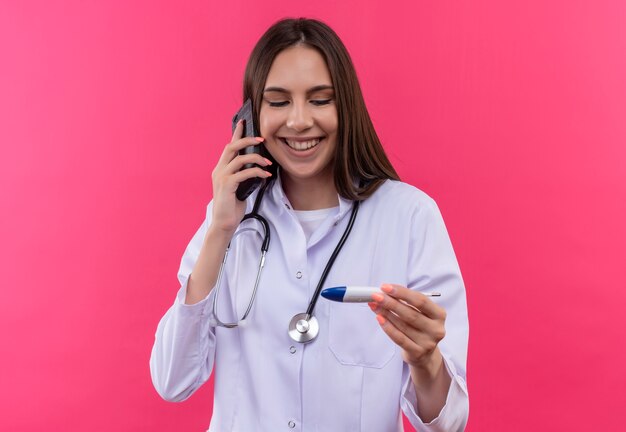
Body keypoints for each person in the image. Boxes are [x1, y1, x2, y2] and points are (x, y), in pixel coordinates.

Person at [150, 18, 469, 432]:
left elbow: (449, 424)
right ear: (250, 116)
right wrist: (219, 231)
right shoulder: (230, 221)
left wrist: (426, 361)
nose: (299, 122)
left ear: (347, 107)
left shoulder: (409, 218)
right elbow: (172, 381)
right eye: (278, 102)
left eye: (320, 100)